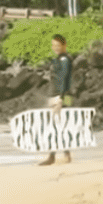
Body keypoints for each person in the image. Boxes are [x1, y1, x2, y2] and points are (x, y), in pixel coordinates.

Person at [41, 33, 74, 166]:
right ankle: (66, 154)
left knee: (54, 126)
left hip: (60, 95)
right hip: (65, 95)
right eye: (53, 45)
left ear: (64, 45)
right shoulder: (61, 59)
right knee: (63, 125)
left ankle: (52, 156)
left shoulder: (64, 60)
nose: (55, 47)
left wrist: (60, 96)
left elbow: (64, 78)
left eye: (58, 45)